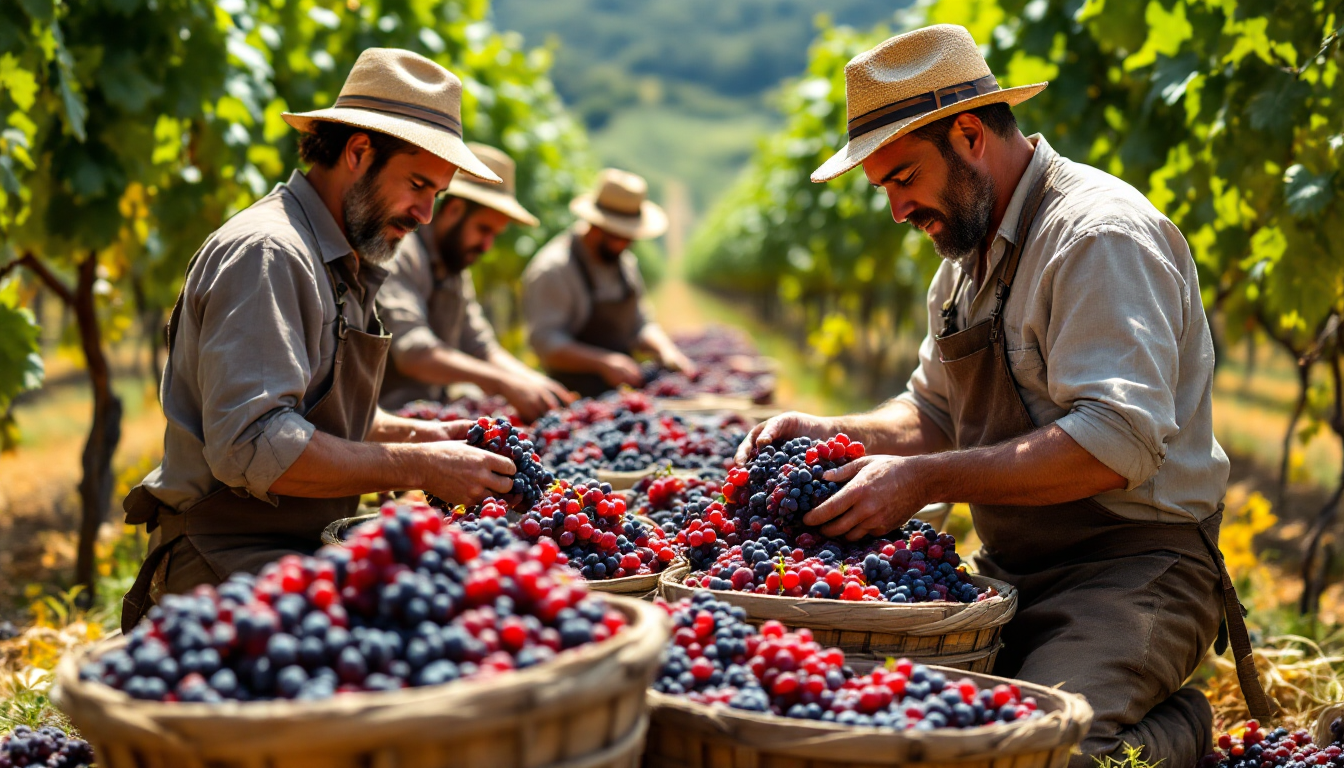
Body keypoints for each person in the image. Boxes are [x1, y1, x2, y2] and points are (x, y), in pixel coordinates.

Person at [738, 25, 1274, 766]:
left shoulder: (1096, 237)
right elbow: (932, 412)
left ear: (967, 135)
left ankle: (1181, 728)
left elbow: (1115, 442)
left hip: (1134, 569)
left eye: (902, 179)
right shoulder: (962, 263)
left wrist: (925, 479)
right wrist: (832, 429)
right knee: (902, 728)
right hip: (1012, 571)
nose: (897, 211)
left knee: (1055, 754)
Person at [121, 49, 517, 632]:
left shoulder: (340, 258)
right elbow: (256, 445)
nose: (427, 214)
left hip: (294, 546)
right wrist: (423, 466)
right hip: (227, 560)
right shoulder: (271, 255)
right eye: (417, 184)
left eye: (438, 193)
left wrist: (423, 435)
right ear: (358, 153)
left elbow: (308, 409)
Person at [377, 143, 575, 420]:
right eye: (483, 229)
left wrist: (534, 382)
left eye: (495, 234)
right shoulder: (400, 254)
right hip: (385, 424)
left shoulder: (454, 267)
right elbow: (415, 353)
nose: (487, 245)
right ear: (455, 210)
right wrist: (502, 383)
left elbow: (479, 346)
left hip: (430, 413)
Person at [521, 168, 696, 397]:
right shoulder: (555, 269)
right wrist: (603, 362)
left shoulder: (624, 263)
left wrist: (664, 349)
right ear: (595, 226)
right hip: (573, 397)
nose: (624, 244)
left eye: (629, 236)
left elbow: (640, 322)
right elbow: (546, 344)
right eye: (617, 235)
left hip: (621, 394)